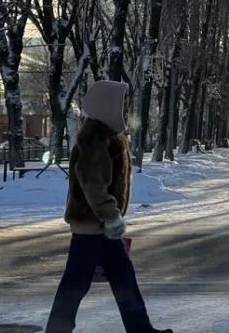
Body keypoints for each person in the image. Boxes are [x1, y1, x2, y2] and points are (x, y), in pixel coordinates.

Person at [46, 80, 171, 333]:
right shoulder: (94, 139)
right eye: (120, 105)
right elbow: (94, 186)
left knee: (123, 280)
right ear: (106, 106)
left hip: (100, 228)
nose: (124, 110)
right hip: (92, 228)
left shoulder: (106, 135)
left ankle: (140, 329)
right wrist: (112, 217)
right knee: (76, 285)